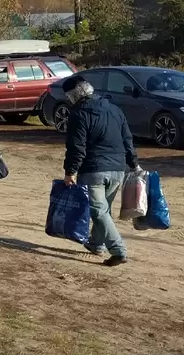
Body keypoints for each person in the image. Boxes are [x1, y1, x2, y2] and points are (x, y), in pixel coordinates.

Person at [61, 75, 138, 266]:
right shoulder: (114, 109)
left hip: (94, 168)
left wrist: (70, 171)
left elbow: (76, 147)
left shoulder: (79, 114)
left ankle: (118, 250)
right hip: (117, 168)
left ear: (73, 95)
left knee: (99, 211)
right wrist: (133, 163)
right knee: (104, 210)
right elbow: (127, 139)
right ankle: (96, 244)